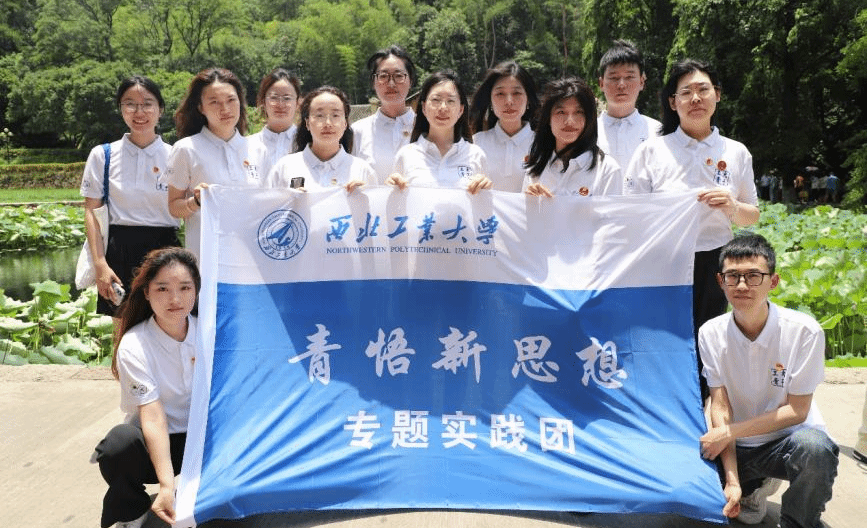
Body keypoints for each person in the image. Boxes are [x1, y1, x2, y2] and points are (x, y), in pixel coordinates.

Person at [623, 59, 759, 399]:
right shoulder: (651, 151)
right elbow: (631, 213)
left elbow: (751, 215)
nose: (695, 98)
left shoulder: (736, 152)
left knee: (707, 338)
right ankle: (662, 406)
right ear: (673, 102)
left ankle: (703, 407)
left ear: (717, 95)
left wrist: (731, 206)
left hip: (715, 259)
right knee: (661, 339)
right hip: (663, 261)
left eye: (703, 90)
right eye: (686, 92)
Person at [698, 232, 838, 527]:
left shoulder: (804, 331)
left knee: (815, 448)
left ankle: (797, 522)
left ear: (773, 281)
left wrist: (728, 433)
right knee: (686, 479)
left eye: (753, 276)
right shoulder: (710, 332)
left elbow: (797, 411)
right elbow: (720, 407)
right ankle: (751, 487)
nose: (742, 285)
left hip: (784, 444)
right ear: (720, 281)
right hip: (735, 447)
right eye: (732, 276)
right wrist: (732, 480)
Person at [92, 247, 200, 528]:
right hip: (158, 440)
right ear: (147, 293)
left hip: (204, 437)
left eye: (185, 288)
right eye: (162, 288)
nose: (175, 299)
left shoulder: (211, 333)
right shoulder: (134, 345)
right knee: (118, 445)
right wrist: (166, 485)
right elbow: (153, 417)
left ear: (196, 291)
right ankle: (132, 511)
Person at [79, 75, 180, 323]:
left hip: (166, 250)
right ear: (121, 109)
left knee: (170, 326)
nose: (139, 112)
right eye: (130, 104)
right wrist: (100, 265)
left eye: (147, 104)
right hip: (119, 253)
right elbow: (91, 212)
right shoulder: (102, 155)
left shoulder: (177, 156)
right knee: (123, 331)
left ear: (160, 109)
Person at [162, 68, 260, 262]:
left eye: (231, 100)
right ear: (200, 107)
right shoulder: (186, 149)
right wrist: (195, 202)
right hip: (207, 258)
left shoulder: (258, 149)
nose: (225, 109)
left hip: (251, 258)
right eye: (214, 102)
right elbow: (174, 207)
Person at [387, 69, 491, 194]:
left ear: (461, 110)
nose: (443, 108)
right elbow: (395, 203)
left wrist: (485, 189)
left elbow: (484, 204)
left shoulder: (476, 155)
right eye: (436, 100)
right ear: (424, 107)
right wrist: (390, 189)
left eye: (451, 101)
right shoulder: (406, 155)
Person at [523, 77, 621, 197]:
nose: (569, 121)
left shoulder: (607, 171)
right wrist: (531, 201)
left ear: (589, 119)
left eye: (578, 112)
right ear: (548, 119)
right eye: (561, 112)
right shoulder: (535, 168)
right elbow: (522, 209)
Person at [265, 86, 377, 192]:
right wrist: (288, 199)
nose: (328, 123)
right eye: (319, 115)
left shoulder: (362, 171)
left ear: (345, 123)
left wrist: (365, 197)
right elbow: (266, 204)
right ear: (307, 123)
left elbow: (376, 205)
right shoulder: (284, 168)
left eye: (335, 115)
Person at [469, 60, 539, 192]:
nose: (509, 101)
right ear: (490, 100)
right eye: (500, 94)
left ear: (528, 99)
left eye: (517, 93)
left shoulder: (544, 145)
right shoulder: (475, 144)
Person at [351, 45, 418, 182]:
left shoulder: (428, 128)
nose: (391, 83)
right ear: (373, 82)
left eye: (399, 76)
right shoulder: (357, 132)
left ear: (411, 81)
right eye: (383, 76)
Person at [596, 39, 662, 174]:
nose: (621, 84)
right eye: (614, 78)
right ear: (601, 83)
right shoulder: (587, 132)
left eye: (629, 77)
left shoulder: (658, 132)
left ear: (642, 82)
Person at [247, 68, 301, 180]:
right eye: (274, 98)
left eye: (287, 98)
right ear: (263, 101)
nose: (280, 104)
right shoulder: (246, 146)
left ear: (297, 103)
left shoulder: (309, 144)